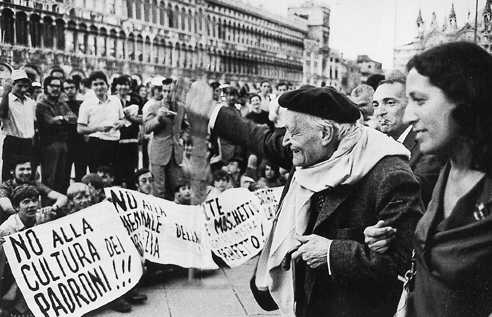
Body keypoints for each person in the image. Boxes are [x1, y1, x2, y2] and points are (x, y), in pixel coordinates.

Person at [187, 82, 422, 316]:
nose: (286, 141)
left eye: (292, 132)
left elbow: (401, 265)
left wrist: (332, 252)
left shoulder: (391, 177)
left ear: (326, 134)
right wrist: (211, 111)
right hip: (303, 302)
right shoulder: (311, 147)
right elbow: (258, 137)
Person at [364, 41, 492, 317]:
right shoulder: (452, 169)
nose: (409, 115)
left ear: (466, 100)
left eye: (420, 101)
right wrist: (394, 240)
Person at [373, 77, 443, 205]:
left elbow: (416, 190)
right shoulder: (378, 143)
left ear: (409, 106)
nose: (380, 112)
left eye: (390, 103)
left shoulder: (426, 143)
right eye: (376, 105)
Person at [143, 77, 186, 199]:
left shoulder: (181, 108)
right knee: (159, 190)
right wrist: (158, 118)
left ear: (176, 92)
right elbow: (146, 127)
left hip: (176, 154)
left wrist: (183, 136)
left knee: (176, 188)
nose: (167, 94)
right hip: (159, 153)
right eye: (165, 91)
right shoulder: (154, 107)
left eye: (170, 91)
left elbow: (184, 125)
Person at [77, 71, 126, 174]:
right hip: (96, 144)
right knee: (98, 178)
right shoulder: (86, 104)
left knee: (114, 176)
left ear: (107, 85)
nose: (99, 87)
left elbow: (122, 119)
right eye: (95, 84)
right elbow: (80, 129)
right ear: (91, 87)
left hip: (115, 143)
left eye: (101, 83)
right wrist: (98, 129)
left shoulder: (116, 101)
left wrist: (120, 123)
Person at [36, 76, 77, 193]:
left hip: (63, 144)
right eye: (52, 86)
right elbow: (50, 122)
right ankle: (47, 206)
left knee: (62, 177)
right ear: (46, 87)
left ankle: (60, 206)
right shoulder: (42, 105)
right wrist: (63, 119)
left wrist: (61, 119)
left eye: (58, 86)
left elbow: (73, 119)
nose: (56, 89)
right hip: (49, 145)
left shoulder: (62, 103)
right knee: (50, 178)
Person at [0, 160, 67, 224]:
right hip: (12, 225)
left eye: (28, 169)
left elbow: (63, 197)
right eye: (22, 169)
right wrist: (33, 214)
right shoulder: (5, 186)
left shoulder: (34, 184)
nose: (26, 172)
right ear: (12, 171)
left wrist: (53, 208)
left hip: (33, 221)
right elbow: (7, 208)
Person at [0, 69, 36, 181]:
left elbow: (33, 122)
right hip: (13, 142)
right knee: (9, 175)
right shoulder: (6, 100)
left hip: (28, 143)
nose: (23, 89)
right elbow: (2, 114)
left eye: (25, 86)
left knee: (27, 174)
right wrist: (5, 92)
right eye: (19, 86)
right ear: (13, 85)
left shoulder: (30, 102)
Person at [64, 79, 87, 181]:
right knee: (64, 171)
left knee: (81, 172)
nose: (69, 90)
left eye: (72, 88)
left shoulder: (83, 104)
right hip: (66, 142)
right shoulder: (61, 105)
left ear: (77, 89)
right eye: (66, 88)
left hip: (80, 142)